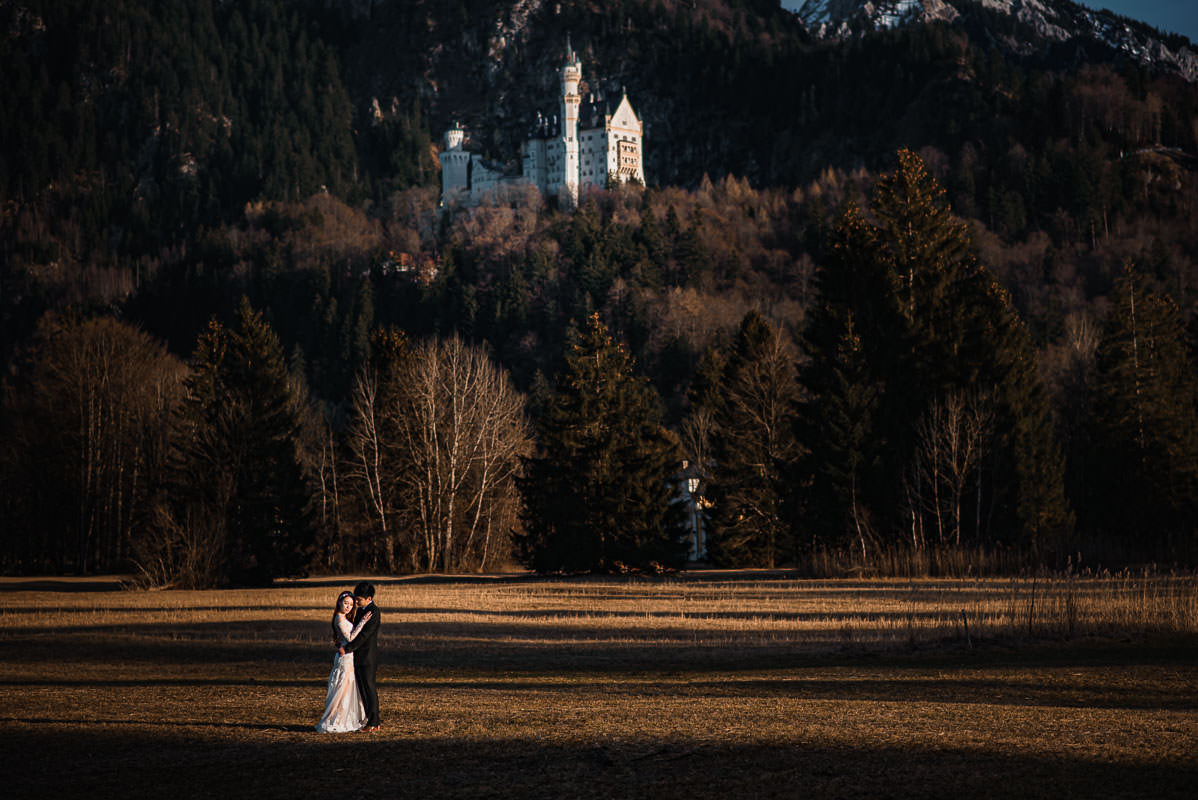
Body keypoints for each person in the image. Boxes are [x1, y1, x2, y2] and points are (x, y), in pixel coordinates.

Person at [315, 591, 373, 733]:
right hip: (345, 659)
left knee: (347, 689)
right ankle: (334, 719)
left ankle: (344, 717)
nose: (348, 606)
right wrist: (363, 622)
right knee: (342, 689)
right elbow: (351, 637)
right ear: (339, 602)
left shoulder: (342, 618)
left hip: (348, 656)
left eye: (351, 604)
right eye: (346, 603)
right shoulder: (339, 619)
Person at [339, 581, 381, 731]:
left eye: (359, 599)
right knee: (362, 688)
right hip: (357, 656)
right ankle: (369, 719)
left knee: (369, 688)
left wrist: (348, 648)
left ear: (369, 598)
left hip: (367, 657)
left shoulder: (373, 612)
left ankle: (374, 722)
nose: (356, 602)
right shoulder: (361, 611)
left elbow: (364, 635)